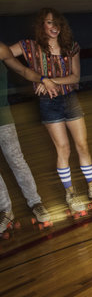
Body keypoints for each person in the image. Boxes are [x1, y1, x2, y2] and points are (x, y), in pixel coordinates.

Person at [10, 8, 92, 215]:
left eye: (57, 23)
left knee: (82, 145)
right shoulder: (29, 46)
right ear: (42, 26)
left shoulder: (71, 47)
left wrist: (48, 81)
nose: (54, 27)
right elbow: (6, 54)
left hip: (70, 100)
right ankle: (71, 194)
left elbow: (75, 78)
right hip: (48, 103)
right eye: (49, 23)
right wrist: (36, 79)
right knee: (63, 149)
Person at [0, 42, 54, 235]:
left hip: (2, 118)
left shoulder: (1, 50)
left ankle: (36, 202)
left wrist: (42, 79)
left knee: (16, 160)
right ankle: (5, 210)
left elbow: (22, 70)